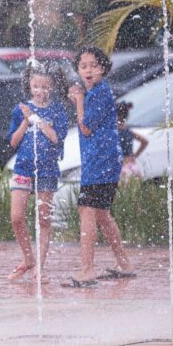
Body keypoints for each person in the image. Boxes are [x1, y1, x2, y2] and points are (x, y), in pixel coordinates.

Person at [65, 47, 136, 287]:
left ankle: (87, 270)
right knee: (102, 214)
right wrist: (81, 97)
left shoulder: (100, 93)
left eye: (93, 65)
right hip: (103, 160)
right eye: (83, 66)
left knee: (87, 210)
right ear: (77, 69)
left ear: (103, 69)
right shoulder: (96, 92)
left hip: (101, 161)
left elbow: (85, 127)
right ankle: (124, 264)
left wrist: (78, 100)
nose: (88, 70)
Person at [7, 62, 69, 282]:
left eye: (45, 87)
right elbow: (13, 141)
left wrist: (36, 118)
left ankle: (39, 269)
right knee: (16, 217)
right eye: (36, 86)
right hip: (23, 167)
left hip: (47, 170)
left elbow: (56, 138)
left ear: (52, 87)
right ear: (29, 86)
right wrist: (25, 119)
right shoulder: (20, 109)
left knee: (43, 219)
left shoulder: (57, 110)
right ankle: (28, 257)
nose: (40, 91)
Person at [116, 101, 148, 179]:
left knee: (123, 191)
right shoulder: (127, 131)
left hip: (122, 169)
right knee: (137, 191)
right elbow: (144, 141)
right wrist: (135, 155)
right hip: (134, 167)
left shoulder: (114, 132)